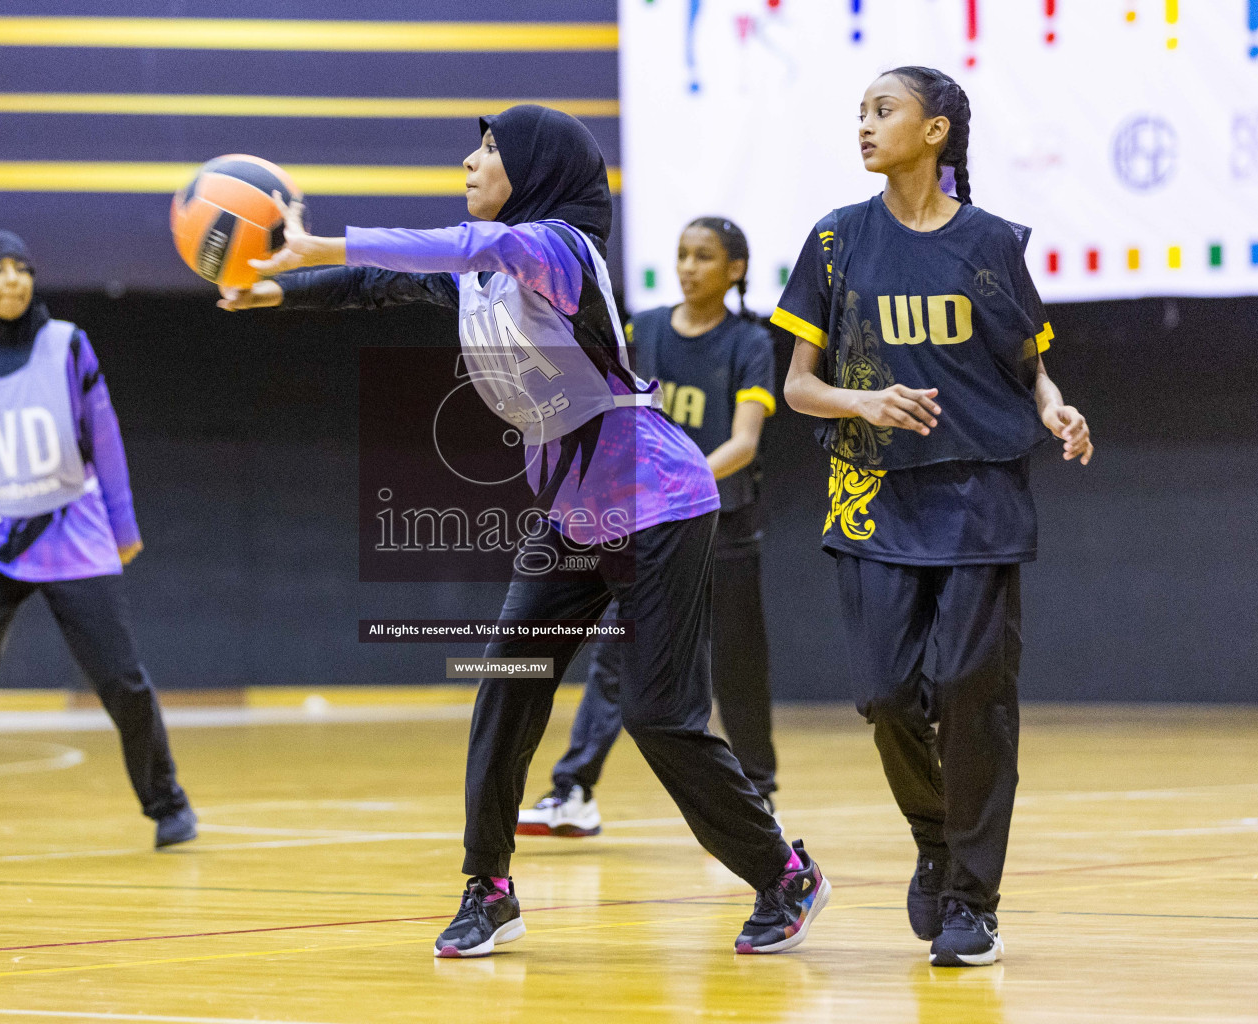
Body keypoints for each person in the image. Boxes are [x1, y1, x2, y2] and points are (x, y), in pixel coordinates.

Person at [222, 105, 828, 958]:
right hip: (574, 514)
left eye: (490, 149)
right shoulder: (481, 274)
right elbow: (380, 281)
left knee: (661, 718)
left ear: (537, 170)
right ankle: (489, 887)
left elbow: (475, 247)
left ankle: (784, 875)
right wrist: (272, 285)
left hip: (658, 502)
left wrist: (324, 241)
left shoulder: (556, 251)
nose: (469, 161)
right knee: (507, 684)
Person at [774, 67, 1092, 967]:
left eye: (885, 110)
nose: (866, 126)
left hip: (978, 496)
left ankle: (973, 900)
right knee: (883, 693)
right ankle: (935, 835)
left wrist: (1054, 409)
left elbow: (1029, 366)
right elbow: (798, 388)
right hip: (873, 498)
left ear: (938, 131)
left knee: (972, 696)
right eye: (861, 114)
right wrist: (862, 404)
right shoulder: (836, 241)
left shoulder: (991, 244)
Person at [0, 230, 196, 857]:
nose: (13, 280)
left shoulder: (66, 344)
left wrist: (123, 531)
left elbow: (107, 439)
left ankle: (167, 802)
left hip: (73, 528)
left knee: (119, 679)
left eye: (23, 268)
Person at [518, 216, 781, 838]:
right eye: (682, 254)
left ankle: (759, 790)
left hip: (724, 523)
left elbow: (743, 443)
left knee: (737, 665)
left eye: (705, 257)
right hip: (649, 527)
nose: (690, 267)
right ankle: (574, 789)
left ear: (735, 270)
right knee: (616, 654)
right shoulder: (649, 329)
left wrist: (678, 484)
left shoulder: (749, 343)